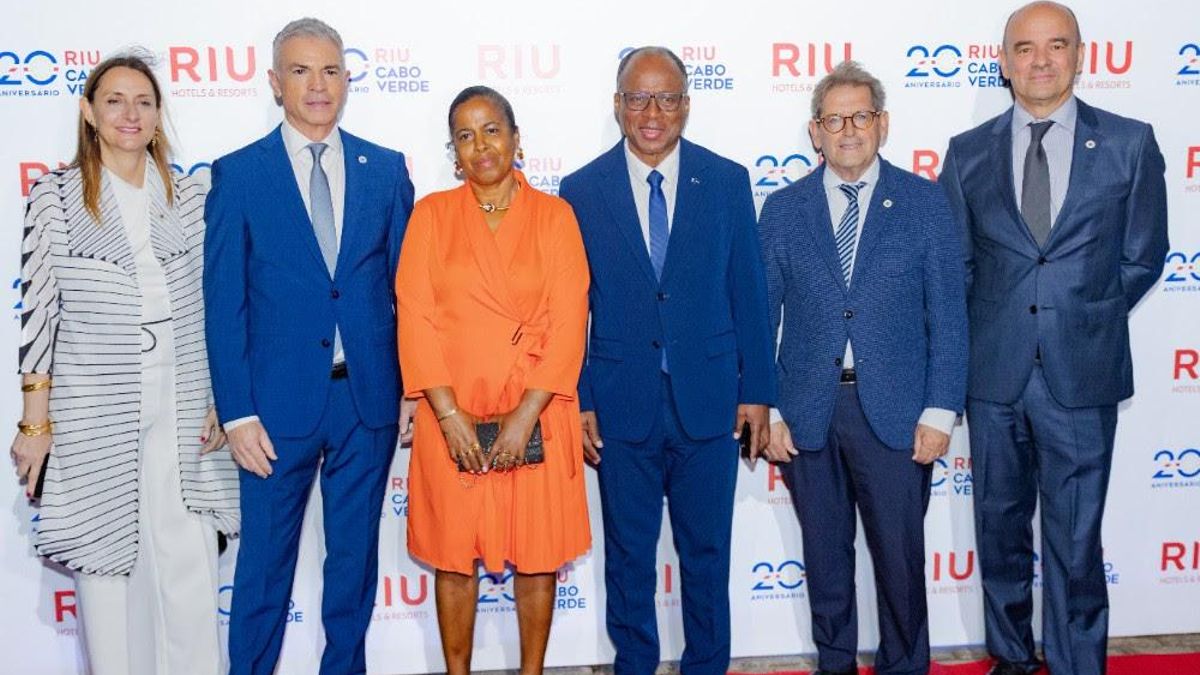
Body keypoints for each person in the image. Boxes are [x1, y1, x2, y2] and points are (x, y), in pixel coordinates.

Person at [939, 3, 1169, 674]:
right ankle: (1010, 661)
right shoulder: (968, 151)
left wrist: (1083, 316)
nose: (1041, 59)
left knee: (1075, 542)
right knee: (1000, 533)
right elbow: (960, 264)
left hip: (1082, 373)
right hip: (995, 376)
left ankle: (1076, 666)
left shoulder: (1129, 142)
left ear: (1079, 55)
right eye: (1025, 47)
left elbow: (1144, 253)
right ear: (1004, 62)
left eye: (1056, 45)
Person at [11, 51, 238, 674]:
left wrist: (224, 398)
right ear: (89, 112)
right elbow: (40, 315)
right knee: (106, 564)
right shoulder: (55, 198)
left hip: (185, 397)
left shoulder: (190, 197)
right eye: (114, 100)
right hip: (93, 405)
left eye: (143, 101)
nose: (130, 114)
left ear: (159, 115)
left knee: (188, 557)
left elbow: (216, 306)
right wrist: (35, 425)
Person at [203, 17, 414, 675]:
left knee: (353, 564)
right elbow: (223, 303)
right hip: (271, 411)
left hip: (368, 401)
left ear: (347, 79)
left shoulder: (385, 169)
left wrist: (412, 386)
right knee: (264, 566)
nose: (316, 84)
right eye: (300, 70)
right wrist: (236, 413)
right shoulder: (237, 175)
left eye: (329, 70)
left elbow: (407, 291)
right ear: (274, 82)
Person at [558, 47, 775, 675]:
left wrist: (757, 389)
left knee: (707, 554)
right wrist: (583, 398)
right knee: (628, 557)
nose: (652, 112)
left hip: (709, 401)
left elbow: (749, 292)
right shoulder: (581, 189)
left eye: (667, 97)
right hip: (621, 405)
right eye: (637, 98)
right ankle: (634, 665)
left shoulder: (728, 181)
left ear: (686, 103)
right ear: (617, 105)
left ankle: (707, 665)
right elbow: (570, 309)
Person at [759, 60, 968, 675]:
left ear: (883, 123)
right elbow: (759, 318)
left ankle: (906, 666)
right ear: (814, 132)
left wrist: (939, 411)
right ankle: (835, 665)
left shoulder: (926, 204)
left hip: (901, 416)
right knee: (825, 564)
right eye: (833, 119)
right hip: (806, 416)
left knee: (902, 566)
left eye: (860, 116)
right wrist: (768, 409)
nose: (848, 129)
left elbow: (949, 319)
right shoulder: (782, 209)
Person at [396, 85, 590, 675]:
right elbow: (415, 313)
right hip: (449, 414)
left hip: (537, 414)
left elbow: (568, 317)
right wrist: (450, 415)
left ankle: (531, 670)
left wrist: (524, 415)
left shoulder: (555, 216)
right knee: (454, 557)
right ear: (453, 151)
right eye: (464, 134)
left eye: (491, 130)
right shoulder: (431, 214)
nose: (480, 145)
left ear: (516, 138)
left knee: (538, 555)